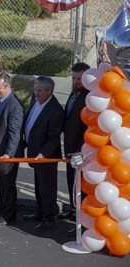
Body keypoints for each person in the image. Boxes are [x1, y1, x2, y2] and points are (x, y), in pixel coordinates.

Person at [23, 76, 64, 231]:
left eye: (39, 90)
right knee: (39, 187)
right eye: (35, 89)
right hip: (34, 153)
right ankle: (40, 212)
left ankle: (49, 218)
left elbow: (54, 138)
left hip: (45, 157)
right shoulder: (36, 101)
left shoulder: (55, 110)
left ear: (49, 91)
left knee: (47, 189)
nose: (36, 93)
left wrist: (43, 154)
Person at [0, 73, 24, 227]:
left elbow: (15, 133)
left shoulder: (14, 105)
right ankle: (2, 208)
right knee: (2, 184)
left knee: (8, 186)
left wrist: (8, 154)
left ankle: (8, 216)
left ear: (7, 87)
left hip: (6, 155)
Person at [58, 62, 90, 234]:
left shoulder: (90, 97)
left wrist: (80, 150)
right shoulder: (74, 93)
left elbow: (88, 129)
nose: (77, 81)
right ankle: (73, 211)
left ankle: (82, 223)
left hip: (80, 152)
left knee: (81, 188)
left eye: (80, 78)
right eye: (74, 78)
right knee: (71, 183)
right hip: (69, 149)